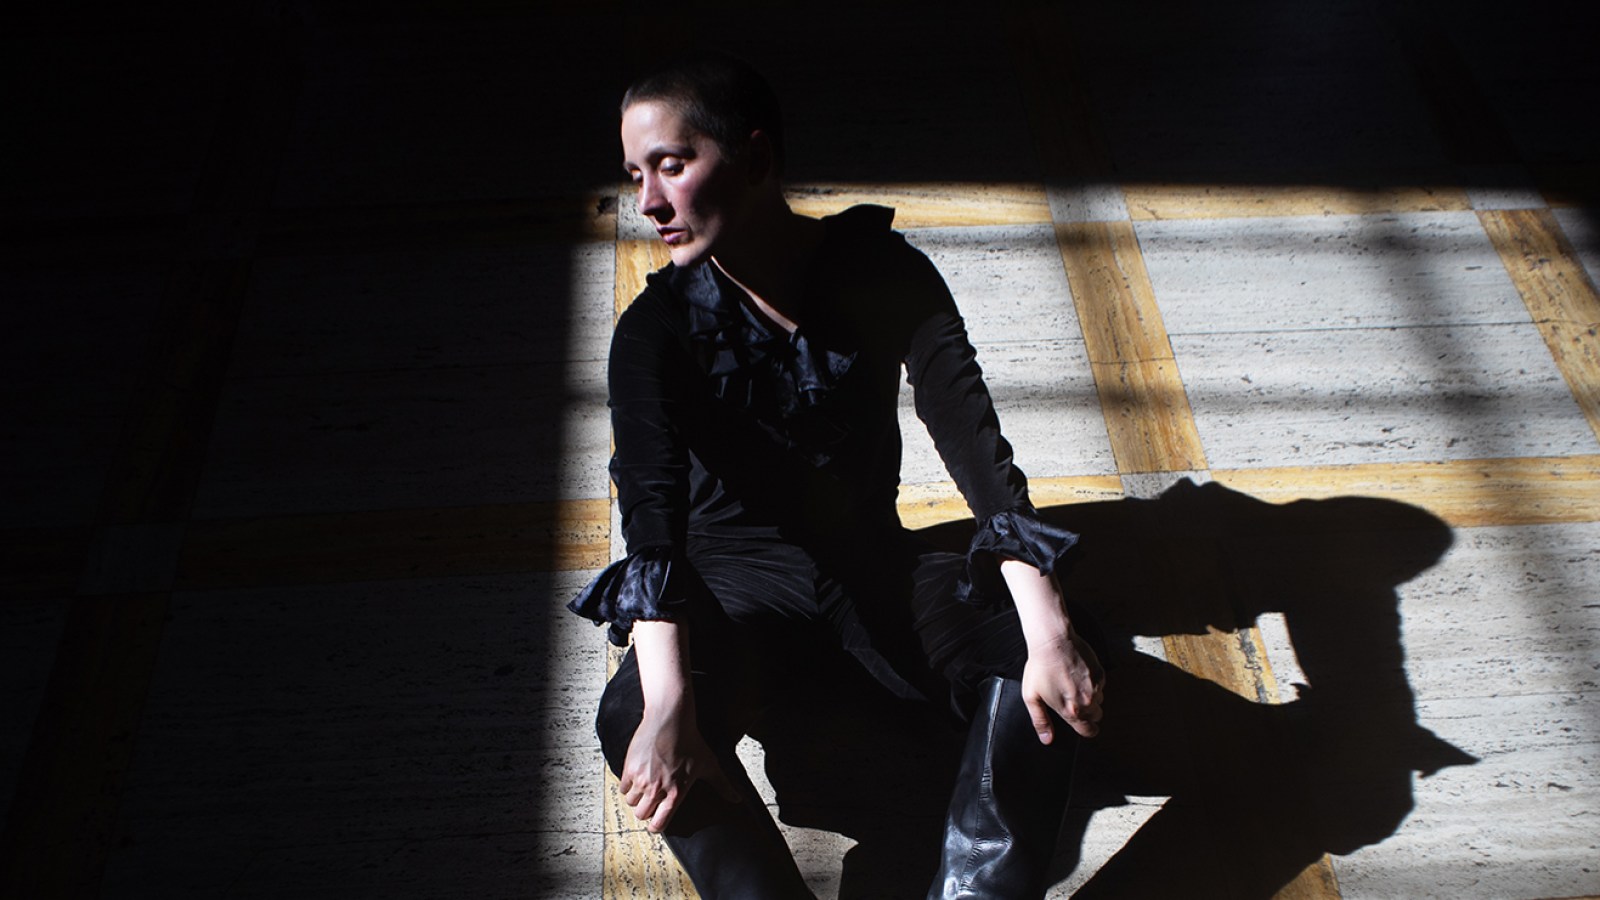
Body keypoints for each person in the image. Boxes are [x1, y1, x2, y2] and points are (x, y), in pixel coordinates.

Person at [569, 52, 1105, 900]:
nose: (649, 203)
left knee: (1050, 653)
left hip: (872, 572)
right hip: (735, 595)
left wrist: (1049, 630)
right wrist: (667, 706)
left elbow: (975, 445)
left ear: (755, 157)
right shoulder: (653, 331)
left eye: (672, 165)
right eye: (637, 175)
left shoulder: (883, 270)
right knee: (632, 714)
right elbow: (651, 516)